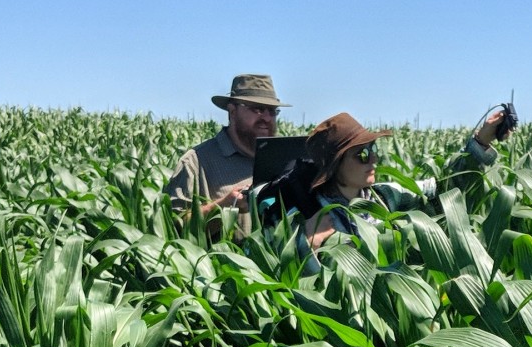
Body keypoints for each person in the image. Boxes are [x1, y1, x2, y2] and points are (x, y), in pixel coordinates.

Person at [298, 109, 512, 252]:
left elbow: (444, 191)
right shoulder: (312, 220)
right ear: (335, 168)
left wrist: (480, 141)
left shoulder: (385, 196)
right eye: (361, 155)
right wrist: (307, 251)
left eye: (372, 150)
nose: (373, 158)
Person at [165, 74, 288, 222]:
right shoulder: (196, 162)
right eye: (258, 109)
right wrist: (224, 206)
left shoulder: (285, 158)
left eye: (272, 111)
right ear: (232, 111)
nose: (267, 118)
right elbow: (174, 225)